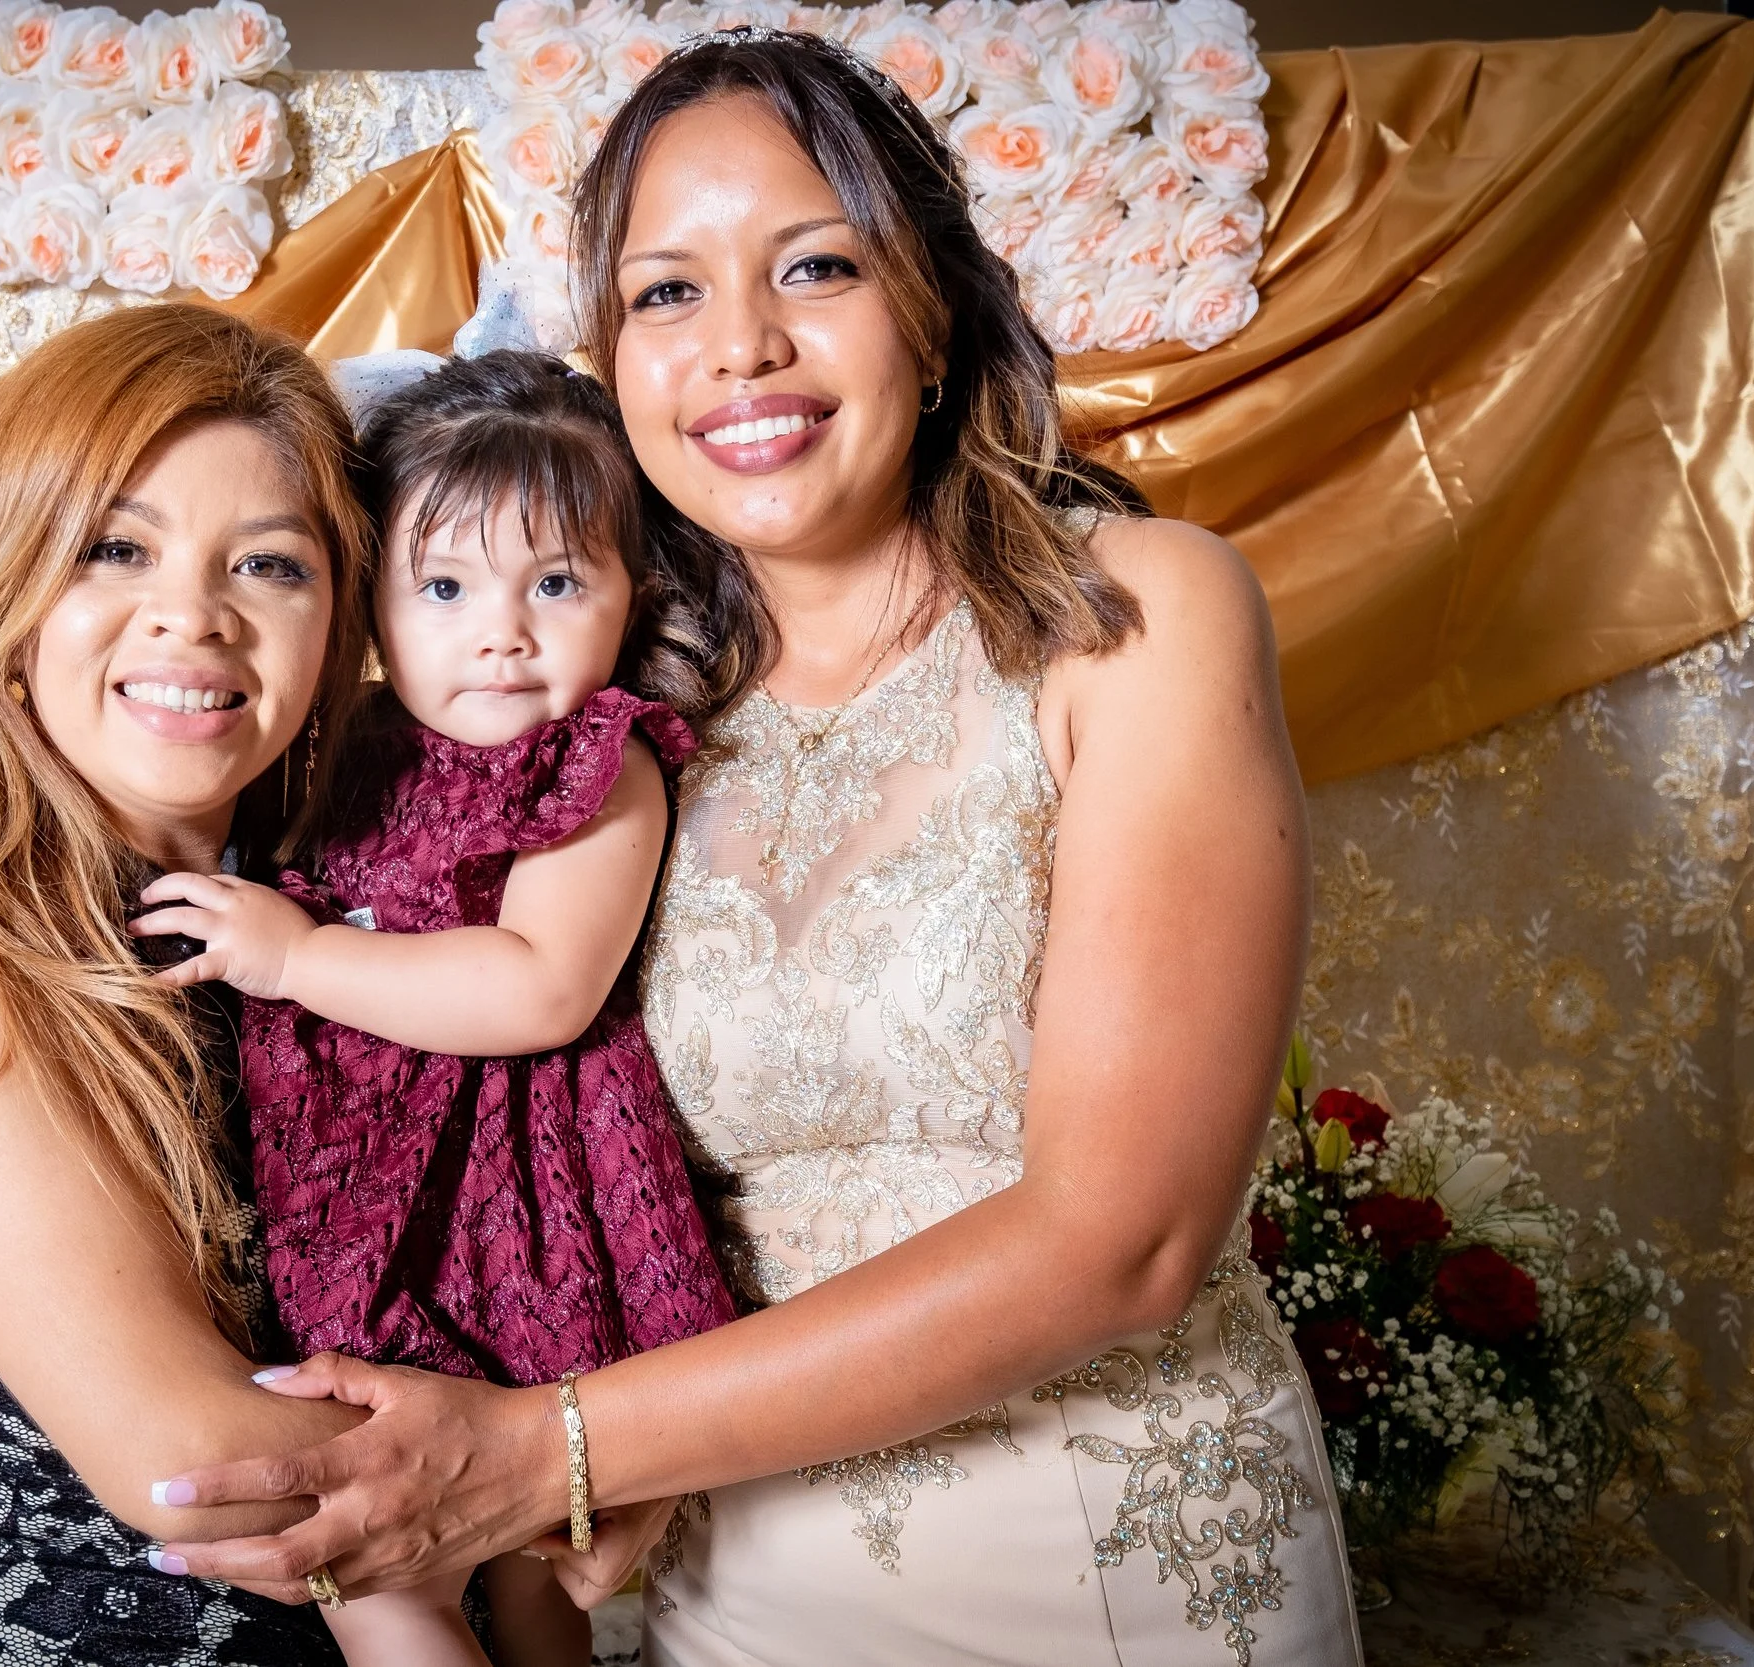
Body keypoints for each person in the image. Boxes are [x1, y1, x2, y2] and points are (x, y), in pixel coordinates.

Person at [148, 31, 1368, 1667]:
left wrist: (547, 1449)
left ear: (932, 310)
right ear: (609, 364)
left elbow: (1127, 1237)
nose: (740, 346)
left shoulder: (1136, 617)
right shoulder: (610, 707)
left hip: (1114, 1569)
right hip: (728, 1591)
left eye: (816, 265)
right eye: (666, 292)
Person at [134, 350, 738, 1667]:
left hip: (516, 1205)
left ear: (634, 593)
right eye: (447, 587)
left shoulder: (598, 763)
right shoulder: (345, 742)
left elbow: (542, 984)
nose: (502, 631)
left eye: (556, 584)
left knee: (516, 1565)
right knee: (377, 1549)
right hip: (352, 1186)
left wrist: (297, 958)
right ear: (370, 607)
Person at [0, 304, 378, 1666]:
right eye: (116, 549)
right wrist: (569, 1457)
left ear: (334, 631)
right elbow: (197, 1462)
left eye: (270, 565)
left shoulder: (340, 936)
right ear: (10, 598)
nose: (194, 613)